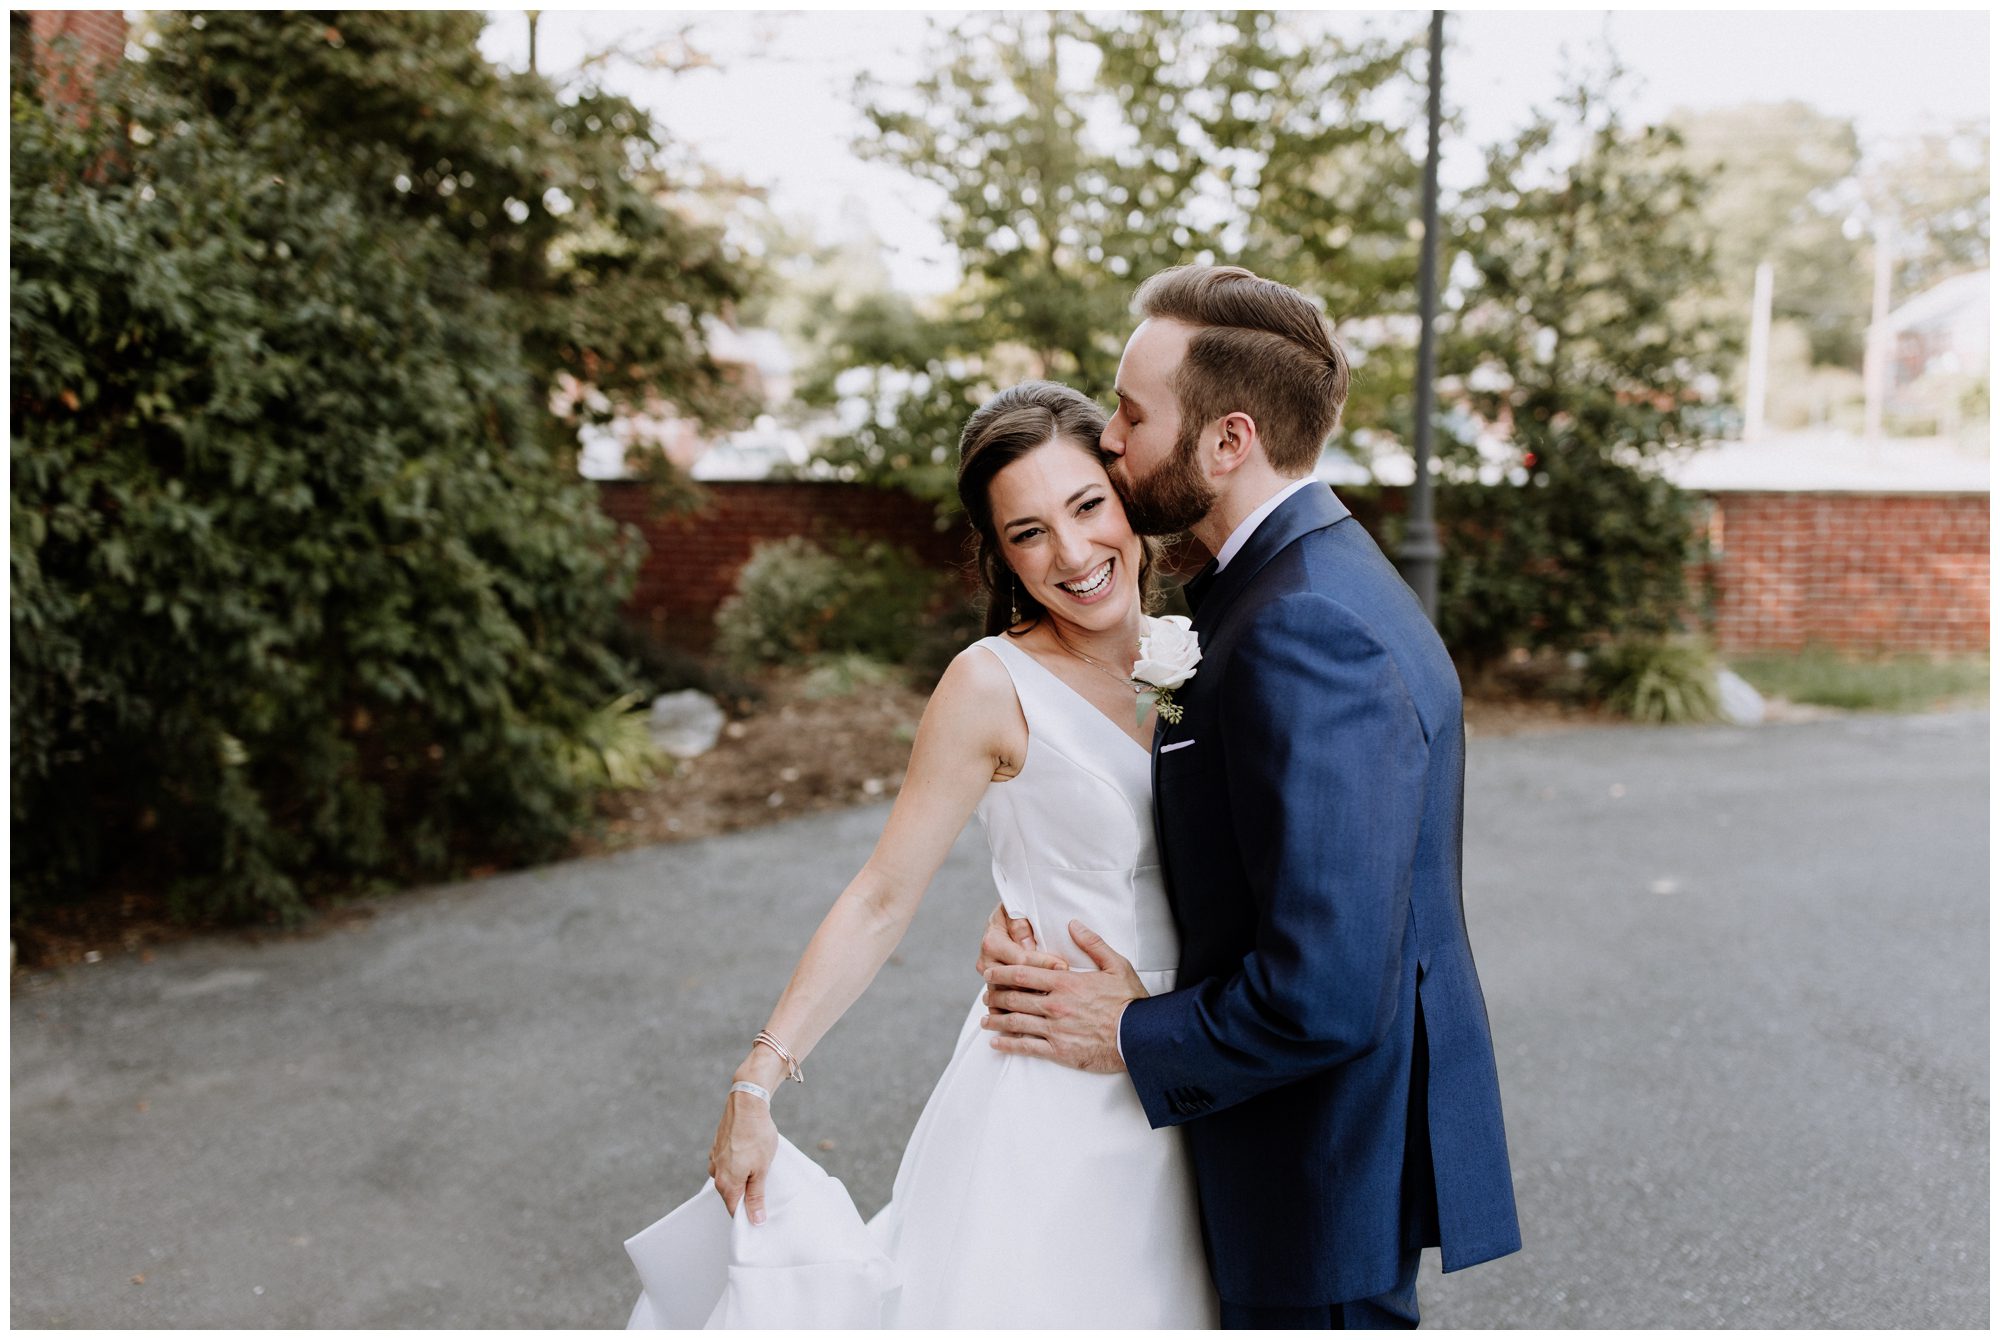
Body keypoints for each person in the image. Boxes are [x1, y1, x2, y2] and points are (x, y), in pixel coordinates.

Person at [976, 264, 1522, 1329]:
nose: (1109, 442)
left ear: (1227, 442)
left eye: (1131, 416)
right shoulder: (1275, 587)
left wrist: (1126, 1030)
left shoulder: (1302, 626)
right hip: (1292, 1159)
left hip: (1312, 1176)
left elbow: (1321, 984)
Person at [654, 380, 1219, 1328]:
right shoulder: (988, 684)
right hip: (1056, 1091)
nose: (1073, 554)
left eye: (1087, 506)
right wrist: (756, 1080)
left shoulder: (1200, 650)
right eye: (1028, 532)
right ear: (998, 552)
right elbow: (882, 893)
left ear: (1129, 499)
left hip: (1201, 1066)